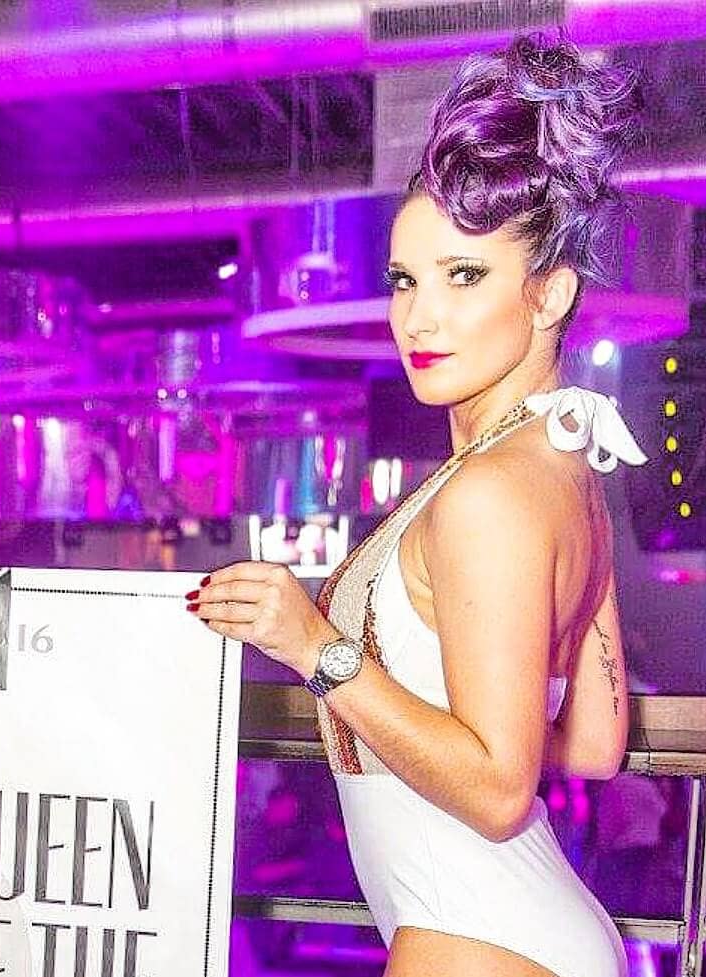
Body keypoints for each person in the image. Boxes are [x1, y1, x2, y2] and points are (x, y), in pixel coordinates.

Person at [186, 30, 646, 977]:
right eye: (404, 279)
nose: (417, 317)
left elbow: (496, 790)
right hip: (514, 929)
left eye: (463, 276)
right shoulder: (558, 455)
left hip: (472, 937)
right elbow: (595, 742)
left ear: (549, 294)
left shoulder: (490, 492)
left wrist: (313, 645)